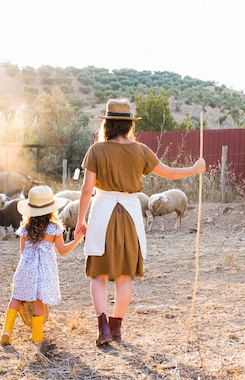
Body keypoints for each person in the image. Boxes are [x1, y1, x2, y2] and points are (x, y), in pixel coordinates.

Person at [75, 98, 205, 346]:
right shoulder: (140, 150)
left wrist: (81, 219)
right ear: (128, 125)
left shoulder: (96, 150)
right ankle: (117, 329)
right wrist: (194, 168)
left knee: (98, 275)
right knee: (124, 276)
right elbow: (168, 172)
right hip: (130, 216)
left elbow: (86, 189)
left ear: (108, 124)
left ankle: (103, 328)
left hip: (103, 212)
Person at [0, 185, 84, 345]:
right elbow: (62, 250)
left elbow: (23, 251)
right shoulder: (54, 228)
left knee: (16, 298)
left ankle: (6, 331)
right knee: (39, 303)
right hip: (43, 272)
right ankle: (36, 336)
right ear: (51, 208)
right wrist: (77, 240)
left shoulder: (25, 228)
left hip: (25, 269)